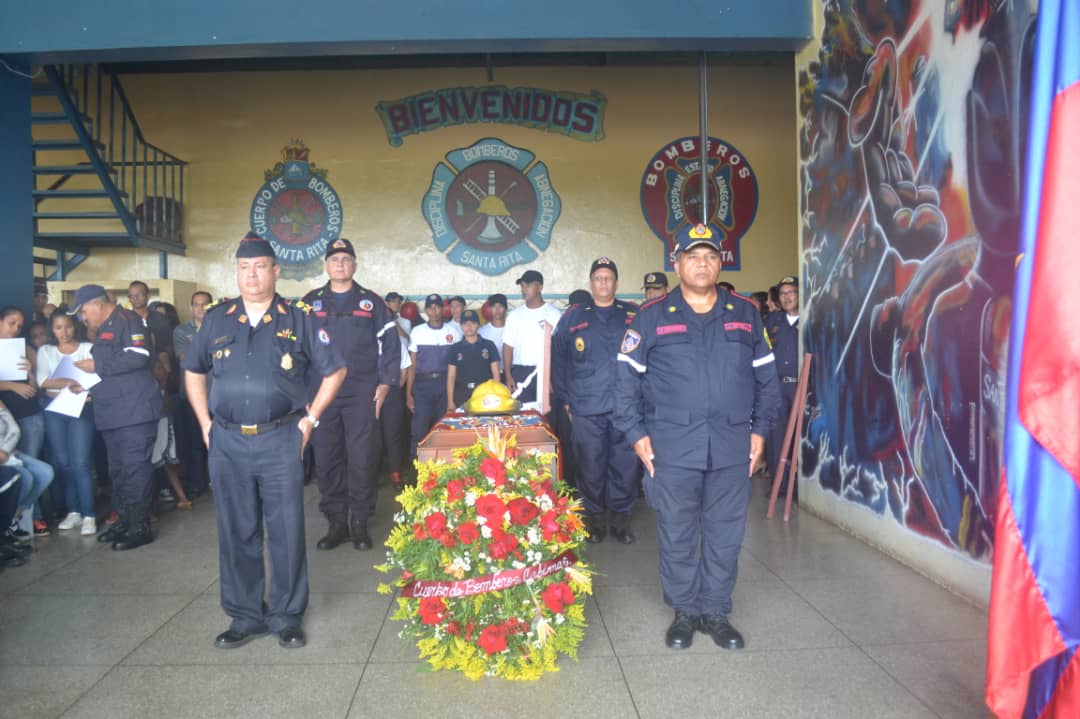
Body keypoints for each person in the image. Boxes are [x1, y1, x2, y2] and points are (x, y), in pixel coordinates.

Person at [614, 223, 780, 652]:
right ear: (677, 264)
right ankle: (684, 610)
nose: (701, 264)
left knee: (726, 534)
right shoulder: (650, 317)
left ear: (720, 262)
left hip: (731, 447)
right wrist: (636, 436)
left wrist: (760, 432)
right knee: (677, 532)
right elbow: (624, 385)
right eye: (692, 256)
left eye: (709, 256)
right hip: (671, 448)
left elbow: (768, 381)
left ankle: (716, 611)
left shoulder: (744, 313)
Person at [184, 233, 346, 650]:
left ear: (275, 271)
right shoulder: (217, 319)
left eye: (259, 266)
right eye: (244, 267)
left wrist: (310, 419)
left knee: (286, 528)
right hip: (228, 441)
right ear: (236, 273)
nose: (251, 274)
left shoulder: (300, 317)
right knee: (236, 529)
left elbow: (335, 371)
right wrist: (204, 422)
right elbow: (194, 370)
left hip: (280, 440)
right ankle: (244, 615)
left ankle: (287, 615)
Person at [301, 238, 400, 552]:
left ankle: (359, 522)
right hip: (322, 396)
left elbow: (391, 347)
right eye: (334, 259)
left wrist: (385, 384)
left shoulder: (371, 303)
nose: (340, 264)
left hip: (361, 393)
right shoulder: (309, 302)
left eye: (346, 259)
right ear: (326, 266)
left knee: (361, 458)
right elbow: (296, 349)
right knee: (327, 458)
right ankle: (336, 523)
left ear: (354, 265)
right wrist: (302, 394)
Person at [552, 258, 639, 544]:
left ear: (616, 283)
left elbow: (645, 358)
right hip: (586, 408)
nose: (603, 282)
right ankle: (595, 522)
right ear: (591, 283)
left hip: (624, 408)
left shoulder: (632, 314)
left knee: (624, 468)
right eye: (598, 278)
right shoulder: (574, 316)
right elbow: (559, 358)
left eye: (608, 278)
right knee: (590, 467)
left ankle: (621, 522)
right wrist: (564, 400)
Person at [70, 285, 163, 551]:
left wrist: (97, 366)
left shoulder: (129, 321)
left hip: (134, 412)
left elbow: (139, 356)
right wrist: (86, 384)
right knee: (118, 471)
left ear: (97, 305)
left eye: (84, 311)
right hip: (113, 412)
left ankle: (139, 527)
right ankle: (124, 521)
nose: (83, 317)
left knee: (135, 470)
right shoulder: (105, 327)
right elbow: (110, 373)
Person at [37, 312, 97, 535]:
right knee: (63, 462)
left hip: (82, 408)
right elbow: (44, 381)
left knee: (80, 462)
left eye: (68, 327)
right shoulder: (46, 351)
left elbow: (95, 379)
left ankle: (89, 513)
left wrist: (61, 383)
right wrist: (72, 381)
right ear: (52, 330)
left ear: (75, 327)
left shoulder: (87, 348)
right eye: (58, 327)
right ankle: (73, 511)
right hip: (55, 410)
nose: (64, 332)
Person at [0, 306, 48, 536]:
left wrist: (30, 372)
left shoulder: (25, 348)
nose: (15, 329)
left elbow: (35, 387)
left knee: (32, 466)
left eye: (19, 325)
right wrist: (11, 385)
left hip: (29, 415)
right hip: (4, 420)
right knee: (19, 473)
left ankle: (30, 518)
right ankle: (13, 522)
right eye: (11, 323)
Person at [407, 294, 461, 458]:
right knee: (419, 428)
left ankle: (442, 466)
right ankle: (416, 467)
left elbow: (457, 364)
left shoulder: (453, 331)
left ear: (443, 309)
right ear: (426, 311)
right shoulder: (418, 331)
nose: (435, 310)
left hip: (445, 384)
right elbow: (412, 364)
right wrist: (408, 393)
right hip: (423, 384)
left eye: (437, 307)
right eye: (431, 307)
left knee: (443, 426)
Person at [173, 291, 213, 499]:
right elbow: (185, 359)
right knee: (195, 443)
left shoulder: (220, 326)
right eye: (197, 305)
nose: (201, 308)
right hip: (191, 395)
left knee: (220, 442)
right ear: (191, 307)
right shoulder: (181, 331)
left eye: (205, 304)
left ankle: (218, 479)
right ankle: (197, 484)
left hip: (218, 395)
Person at [502, 270, 562, 405]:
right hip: (520, 373)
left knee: (546, 419)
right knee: (522, 418)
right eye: (522, 286)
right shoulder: (514, 316)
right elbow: (508, 347)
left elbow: (559, 350)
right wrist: (508, 376)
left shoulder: (554, 314)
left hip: (546, 372)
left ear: (540, 287)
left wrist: (553, 378)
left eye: (528, 285)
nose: (524, 290)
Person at [0, 399, 54, 546]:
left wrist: (6, 449)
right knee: (26, 477)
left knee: (45, 472)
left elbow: (13, 428)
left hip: (7, 450)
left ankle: (15, 514)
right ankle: (8, 524)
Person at [765, 276, 801, 492]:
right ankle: (780, 485)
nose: (787, 297)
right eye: (783, 293)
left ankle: (799, 489)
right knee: (776, 438)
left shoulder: (811, 318)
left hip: (803, 388)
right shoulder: (771, 322)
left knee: (800, 437)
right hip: (777, 388)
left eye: (792, 292)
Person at [380, 291, 411, 488]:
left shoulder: (398, 341)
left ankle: (395, 473)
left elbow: (405, 366)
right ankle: (369, 474)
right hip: (370, 393)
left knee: (393, 434)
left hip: (392, 392)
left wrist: (398, 387)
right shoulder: (368, 340)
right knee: (370, 435)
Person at [446, 309, 500, 410]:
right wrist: (450, 401)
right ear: (461, 326)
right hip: (461, 394)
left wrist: (494, 396)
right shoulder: (455, 348)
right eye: (465, 323)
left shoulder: (489, 345)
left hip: (484, 393)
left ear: (478, 325)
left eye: (473, 323)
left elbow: (496, 374)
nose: (469, 326)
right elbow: (451, 376)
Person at [478, 293, 507, 359]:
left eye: (501, 306)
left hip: (510, 368)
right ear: (490, 309)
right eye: (494, 306)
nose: (497, 309)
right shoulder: (481, 331)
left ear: (505, 309)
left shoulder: (512, 329)